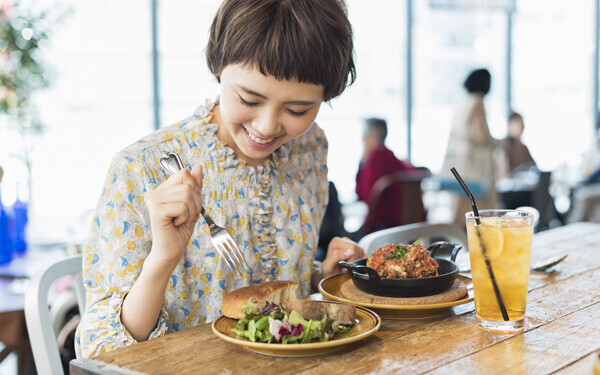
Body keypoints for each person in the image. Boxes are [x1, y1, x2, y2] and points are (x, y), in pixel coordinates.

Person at [75, 0, 365, 358]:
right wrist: (164, 257)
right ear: (217, 68)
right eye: (248, 98)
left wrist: (324, 277)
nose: (267, 126)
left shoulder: (309, 147)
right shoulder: (140, 167)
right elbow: (100, 350)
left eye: (297, 110)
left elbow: (273, 288)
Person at [440, 68, 499, 226]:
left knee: (459, 217)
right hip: (474, 172)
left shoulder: (463, 102)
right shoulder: (477, 102)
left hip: (458, 169)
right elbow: (481, 135)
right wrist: (499, 143)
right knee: (478, 221)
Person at [355, 117, 417, 233]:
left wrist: (362, 163)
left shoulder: (376, 158)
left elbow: (363, 195)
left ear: (372, 137)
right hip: (404, 222)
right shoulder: (391, 157)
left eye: (365, 137)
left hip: (383, 226)